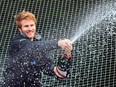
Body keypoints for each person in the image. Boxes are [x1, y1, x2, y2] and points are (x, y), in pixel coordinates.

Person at [3, 11, 73, 87]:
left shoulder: (39, 45)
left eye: (32, 25)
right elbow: (31, 47)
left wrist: (66, 55)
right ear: (20, 29)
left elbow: (59, 74)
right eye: (26, 26)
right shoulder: (17, 42)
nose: (30, 29)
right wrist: (58, 43)